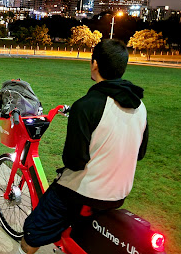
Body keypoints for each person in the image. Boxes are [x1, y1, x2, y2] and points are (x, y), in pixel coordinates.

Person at [17, 39, 149, 254]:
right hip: (119, 193)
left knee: (33, 231)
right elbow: (140, 153)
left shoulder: (86, 105)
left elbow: (74, 160)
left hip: (84, 191)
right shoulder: (140, 106)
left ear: (95, 64)